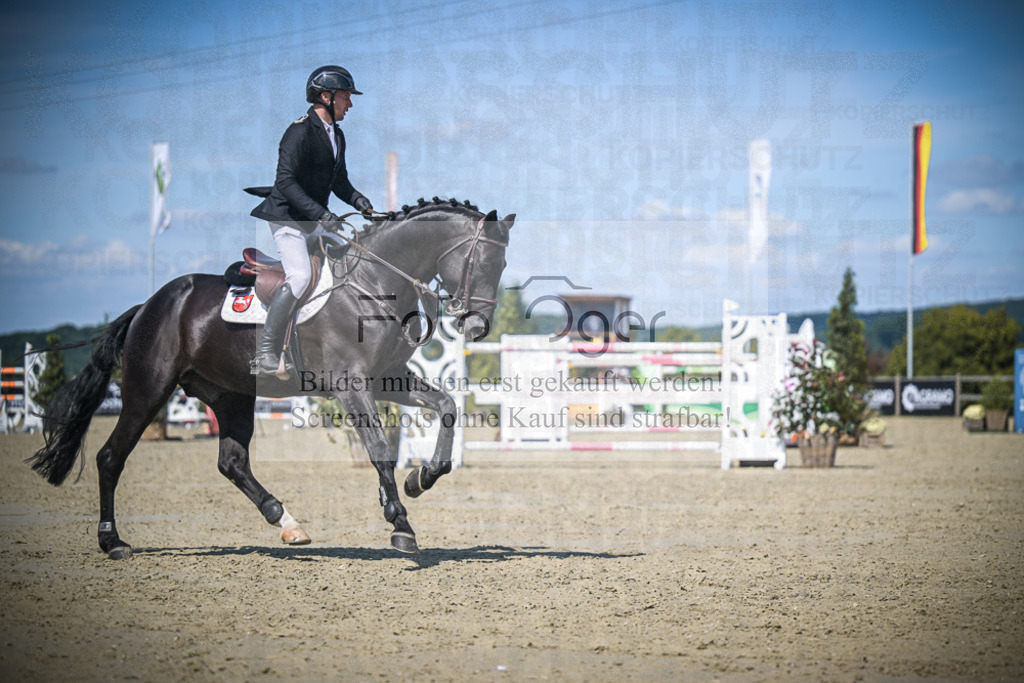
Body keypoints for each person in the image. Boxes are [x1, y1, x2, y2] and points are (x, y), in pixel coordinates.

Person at [249, 65, 374, 376]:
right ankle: (267, 352)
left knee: (351, 259)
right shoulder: (299, 132)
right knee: (301, 276)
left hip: (314, 220)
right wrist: (323, 214)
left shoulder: (337, 135)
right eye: (346, 97)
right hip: (289, 219)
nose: (350, 104)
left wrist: (358, 200)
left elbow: (339, 181)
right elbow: (286, 183)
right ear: (326, 96)